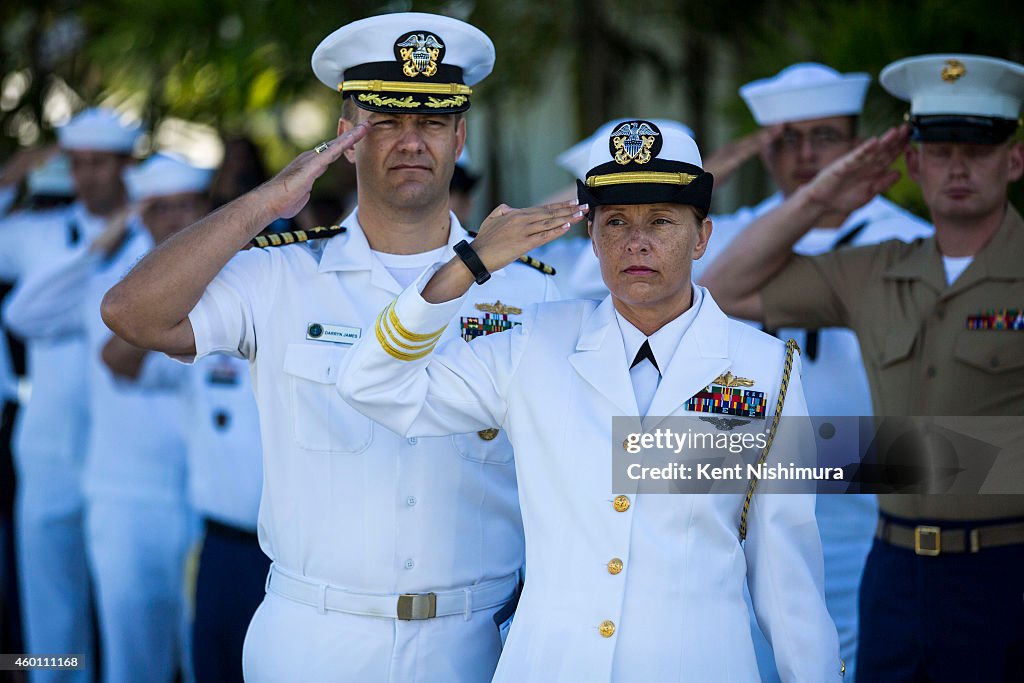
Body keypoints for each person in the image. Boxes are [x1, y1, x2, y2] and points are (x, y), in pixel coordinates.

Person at [101, 13, 562, 682]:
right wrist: (268, 201)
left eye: (432, 122)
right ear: (347, 136)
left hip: (476, 644)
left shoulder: (532, 291)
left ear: (459, 136)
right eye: (386, 120)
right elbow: (130, 313)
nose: (411, 141)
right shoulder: (280, 275)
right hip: (313, 638)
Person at [338, 119, 842, 681]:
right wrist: (468, 264)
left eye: (662, 221)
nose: (637, 242)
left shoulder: (765, 367)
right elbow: (370, 384)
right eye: (616, 222)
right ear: (594, 237)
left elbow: (783, 567)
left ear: (702, 237)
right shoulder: (533, 345)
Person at [703, 53, 1024, 682]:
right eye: (938, 148)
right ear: (912, 161)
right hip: (894, 564)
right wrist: (820, 199)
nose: (956, 166)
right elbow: (719, 289)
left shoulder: (893, 242)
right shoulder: (882, 268)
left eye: (977, 148)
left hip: (998, 565)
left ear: (1013, 159)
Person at [696, 63, 936, 681]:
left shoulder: (910, 241)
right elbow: (704, 301)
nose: (805, 155)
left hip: (870, 494)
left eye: (825, 137)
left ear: (856, 144)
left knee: (857, 648)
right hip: (743, 490)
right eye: (787, 139)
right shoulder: (729, 238)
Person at [6, 153, 212, 683]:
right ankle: (39, 673)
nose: (84, 180)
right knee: (66, 627)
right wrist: (96, 248)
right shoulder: (72, 254)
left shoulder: (226, 268)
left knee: (196, 646)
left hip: (187, 486)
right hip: (76, 471)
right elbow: (22, 316)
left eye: (187, 206)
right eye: (75, 166)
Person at [0, 108, 139, 683]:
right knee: (49, 606)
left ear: (125, 165)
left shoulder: (155, 235)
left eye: (99, 163)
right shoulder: (34, 232)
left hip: (127, 448)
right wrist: (13, 173)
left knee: (128, 605)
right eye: (77, 164)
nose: (87, 176)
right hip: (48, 442)